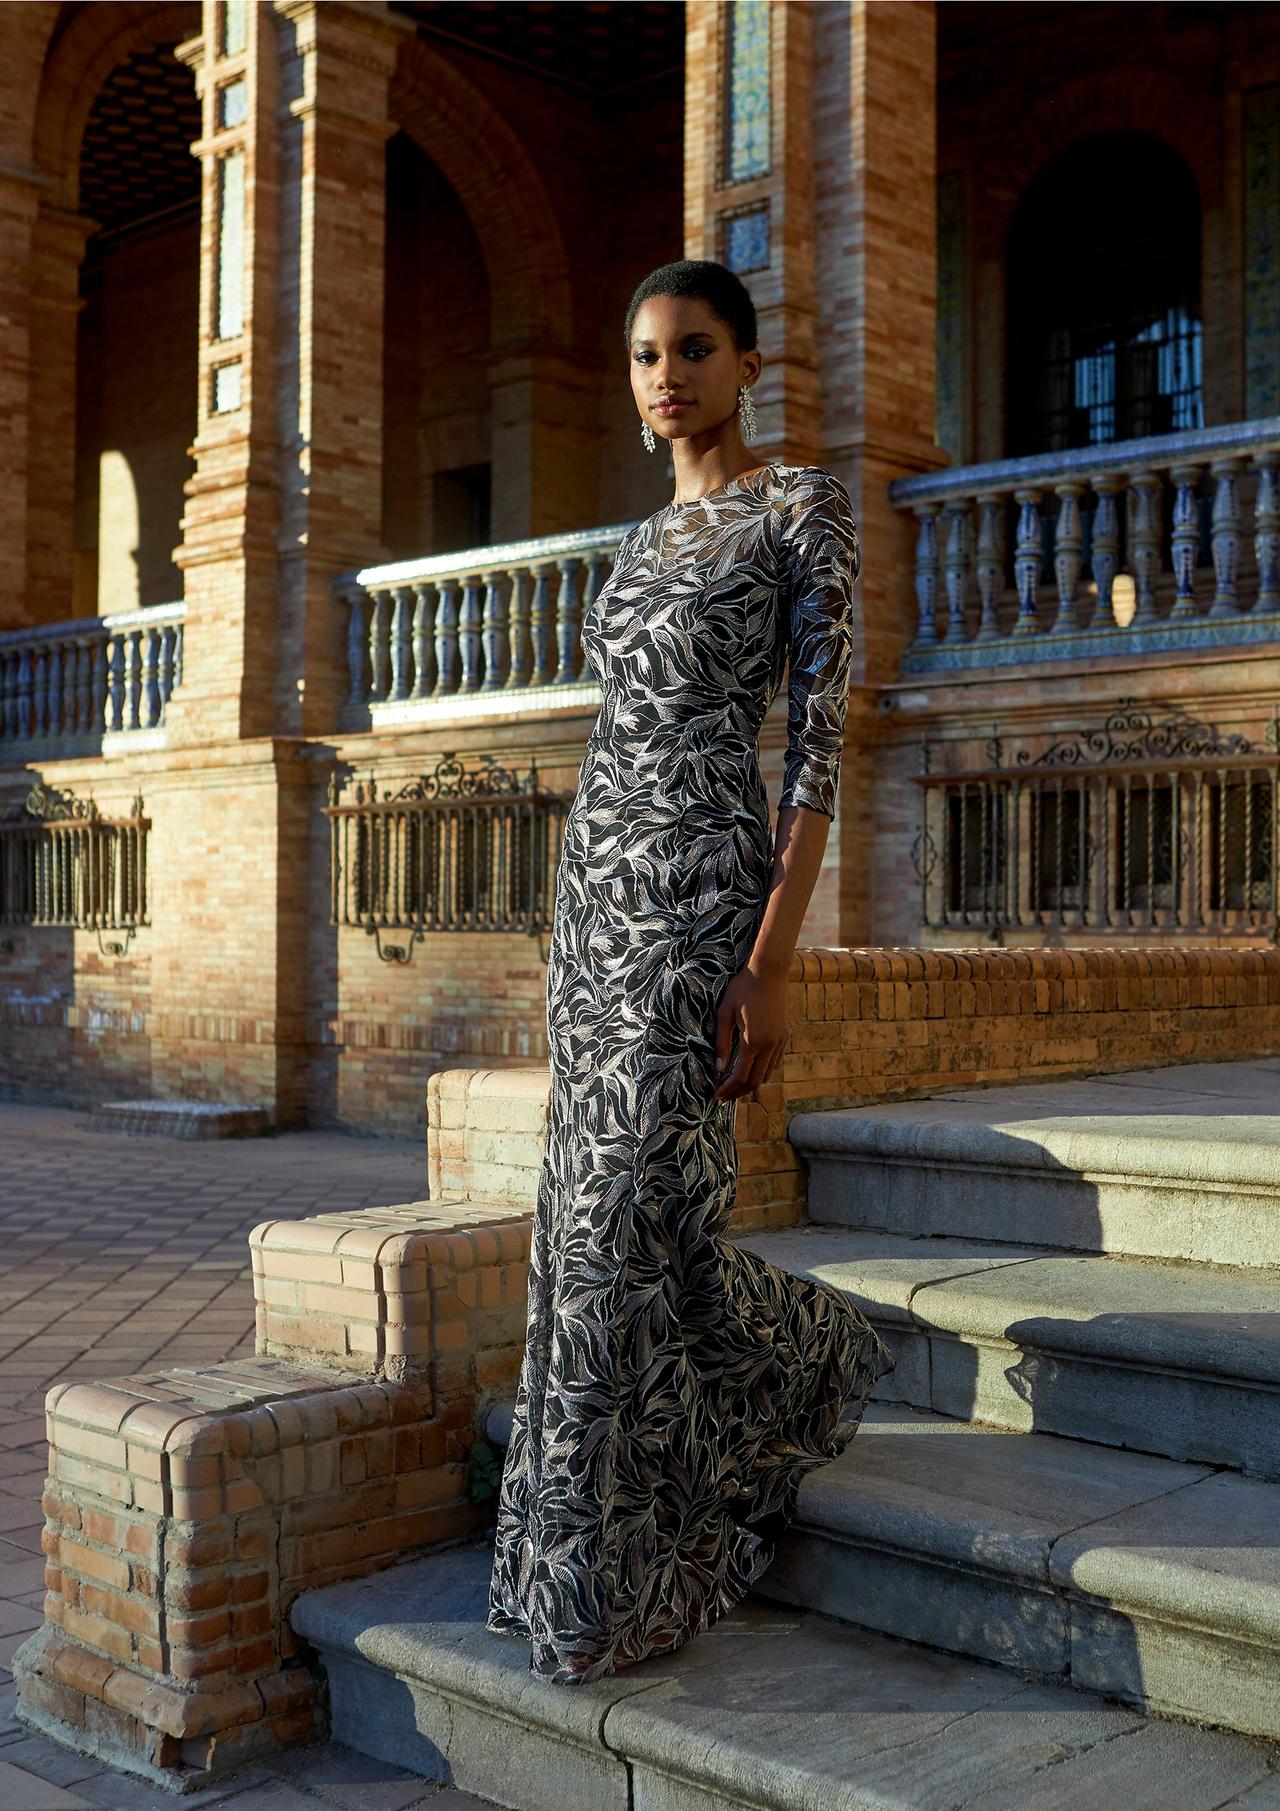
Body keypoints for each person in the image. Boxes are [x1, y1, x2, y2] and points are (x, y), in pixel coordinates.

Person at [485, 258, 895, 1684]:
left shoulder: (801, 506)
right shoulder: (637, 543)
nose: (668, 376)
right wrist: (573, 918)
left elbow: (822, 745)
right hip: (597, 898)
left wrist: (770, 961)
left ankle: (634, 1573)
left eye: (696, 349)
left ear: (748, 363)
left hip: (705, 895)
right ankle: (591, 1574)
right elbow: (611, 736)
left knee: (622, 1221)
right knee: (591, 1223)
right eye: (647, 352)